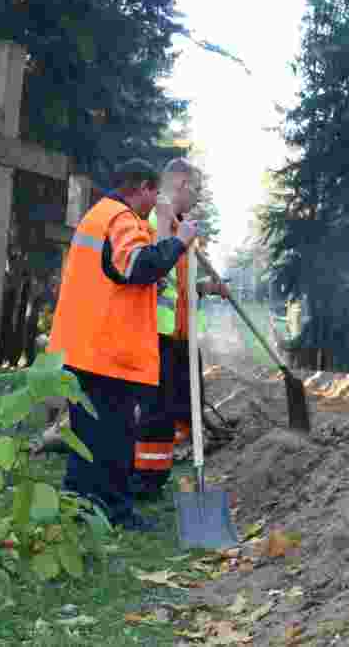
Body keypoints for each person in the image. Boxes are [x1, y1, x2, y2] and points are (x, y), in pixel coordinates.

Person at [47, 159, 198, 531]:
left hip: (85, 346)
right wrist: (179, 241)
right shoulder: (120, 218)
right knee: (113, 439)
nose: (153, 204)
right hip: (104, 352)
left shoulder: (100, 215)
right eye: (152, 195)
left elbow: (123, 275)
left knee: (89, 437)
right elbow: (136, 267)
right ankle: (114, 512)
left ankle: (78, 507)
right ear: (143, 188)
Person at [129, 159, 229, 500]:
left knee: (183, 406)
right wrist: (170, 232)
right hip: (157, 334)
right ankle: (144, 482)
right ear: (182, 183)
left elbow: (179, 282)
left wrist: (206, 286)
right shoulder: (158, 219)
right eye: (197, 189)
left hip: (181, 337)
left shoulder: (181, 225)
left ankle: (159, 474)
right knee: (155, 412)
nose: (198, 197)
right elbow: (155, 267)